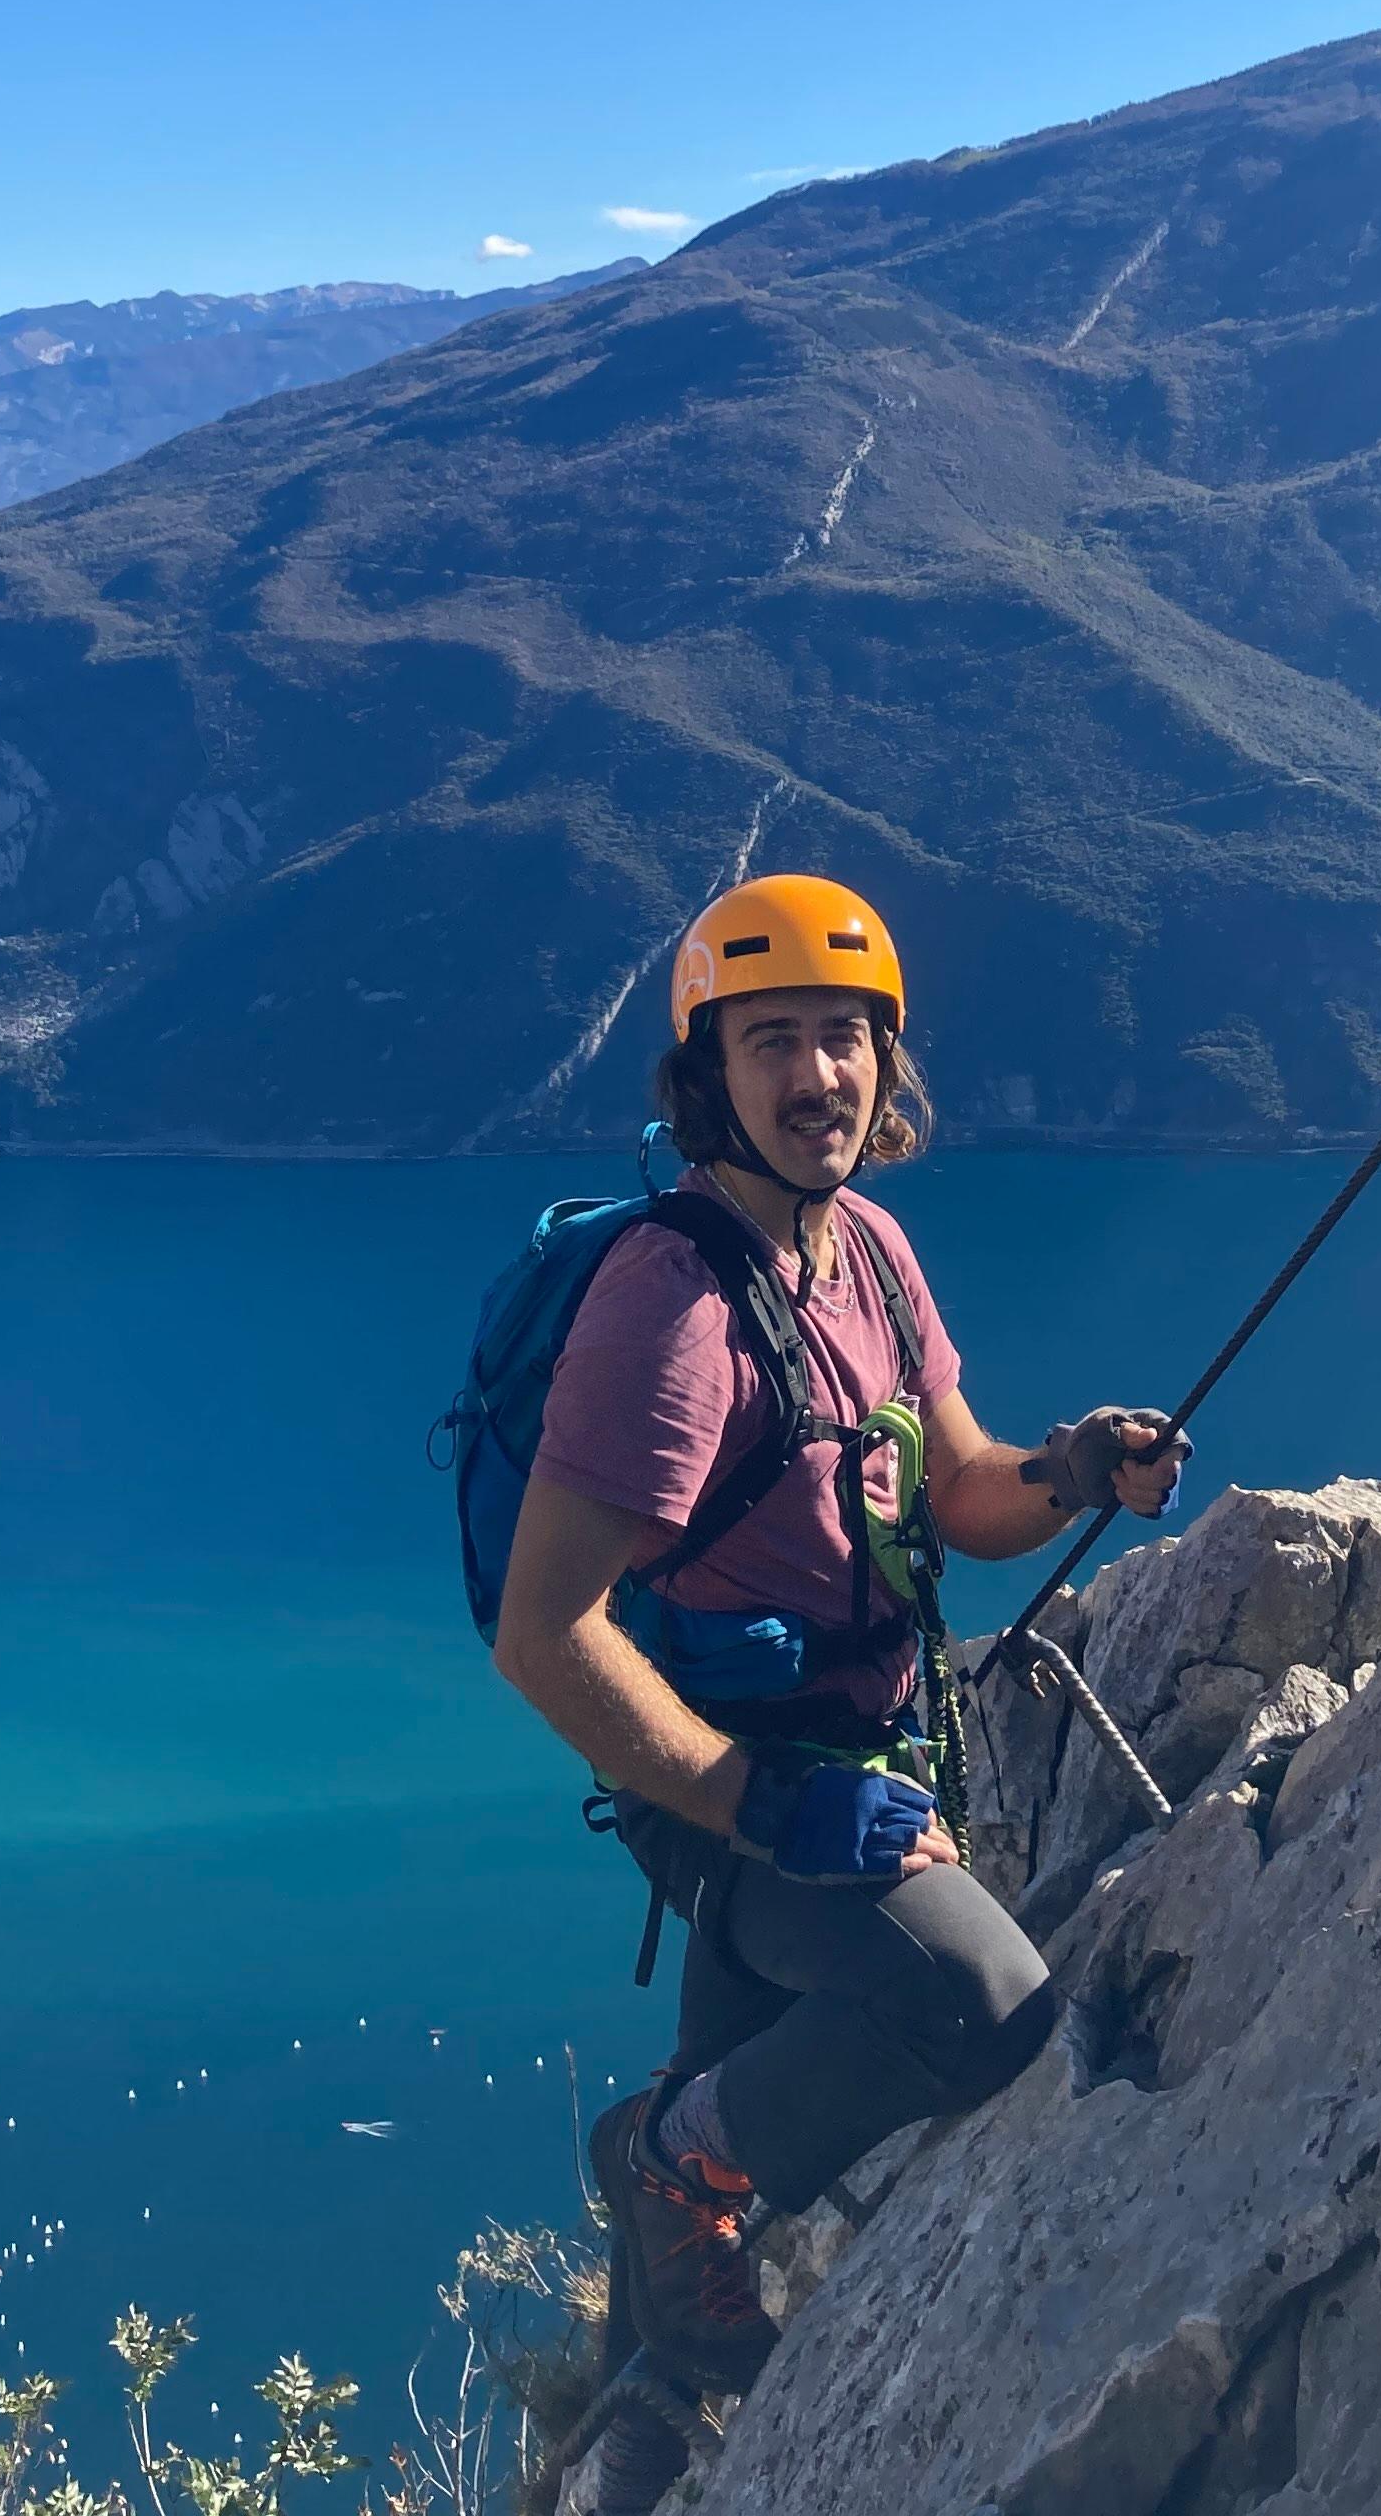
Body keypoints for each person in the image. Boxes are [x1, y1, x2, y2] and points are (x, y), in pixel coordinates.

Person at [492, 874, 1186, 2512]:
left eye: (847, 1039)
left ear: (889, 1061)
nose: (820, 1078)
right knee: (985, 2003)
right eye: (774, 1042)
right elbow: (544, 1633)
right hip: (747, 1804)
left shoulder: (864, 1246)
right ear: (704, 1074)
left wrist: (1073, 1466)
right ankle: (659, 2162)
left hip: (871, 1758)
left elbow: (958, 1494)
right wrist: (770, 1807)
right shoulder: (669, 1313)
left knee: (684, 2288)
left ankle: (617, 2431)